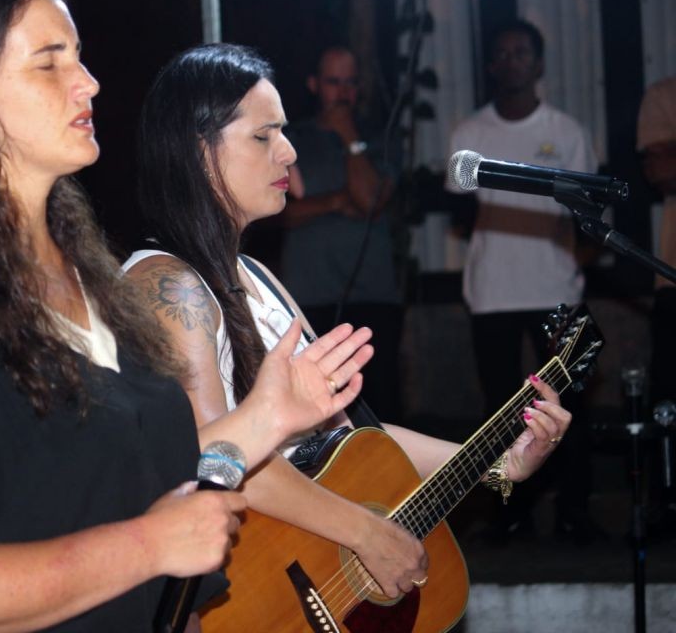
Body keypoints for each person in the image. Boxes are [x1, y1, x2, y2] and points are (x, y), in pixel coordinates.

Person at [0, 0, 371, 632]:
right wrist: (149, 546)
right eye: (48, 63)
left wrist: (268, 417)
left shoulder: (91, 283)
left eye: (81, 58)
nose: (87, 83)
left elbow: (150, 469)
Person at [123, 43, 571, 601]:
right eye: (263, 136)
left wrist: (497, 464)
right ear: (197, 152)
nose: (288, 153)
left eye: (284, 132)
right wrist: (365, 532)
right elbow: (215, 458)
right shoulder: (168, 284)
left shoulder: (258, 277)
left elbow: (353, 441)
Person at [446, 19, 599, 543]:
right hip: (492, 291)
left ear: (537, 64)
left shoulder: (566, 131)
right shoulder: (470, 134)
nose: (511, 61)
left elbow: (590, 220)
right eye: (501, 53)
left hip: (555, 289)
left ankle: (574, 512)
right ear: (491, 66)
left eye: (521, 52)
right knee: (498, 409)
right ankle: (510, 515)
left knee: (565, 407)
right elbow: (460, 214)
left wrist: (572, 264)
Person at [281, 46, 403, 423]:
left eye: (351, 82)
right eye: (334, 82)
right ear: (314, 85)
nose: (343, 92)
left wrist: (350, 138)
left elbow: (370, 200)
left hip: (373, 296)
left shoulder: (380, 137)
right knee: (317, 417)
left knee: (380, 409)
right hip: (308, 299)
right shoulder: (288, 138)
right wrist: (336, 202)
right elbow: (278, 213)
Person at [637, 74, 676, 528]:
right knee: (668, 399)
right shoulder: (664, 94)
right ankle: (666, 505)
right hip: (672, 278)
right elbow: (660, 171)